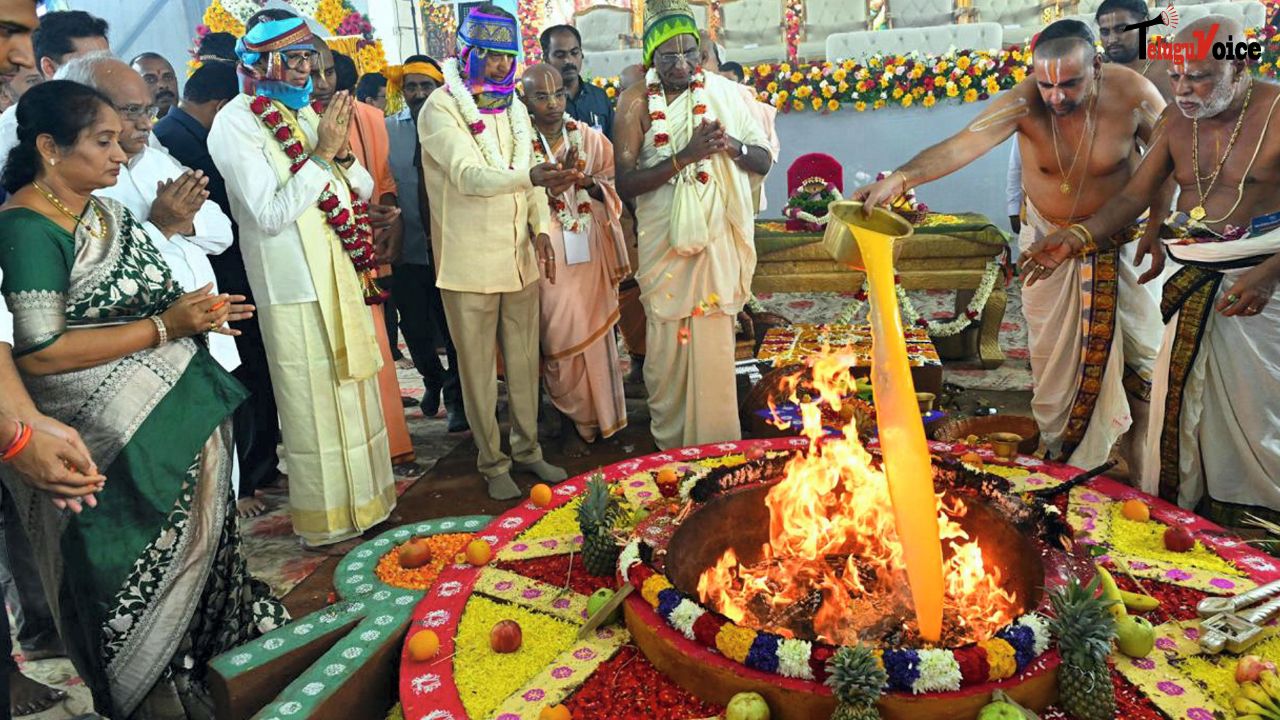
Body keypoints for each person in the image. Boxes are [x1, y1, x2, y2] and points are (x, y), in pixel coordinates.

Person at [0, 78, 286, 718]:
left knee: (203, 561)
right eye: (103, 141)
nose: (120, 154)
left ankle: (216, 671)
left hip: (171, 421)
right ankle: (157, 691)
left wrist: (196, 312)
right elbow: (40, 349)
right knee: (127, 576)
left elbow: (135, 297)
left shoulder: (102, 212)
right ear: (49, 146)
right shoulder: (27, 226)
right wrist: (165, 327)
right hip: (106, 446)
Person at [856, 19, 1170, 478]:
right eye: (1046, 85)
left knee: (1140, 367)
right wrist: (904, 177)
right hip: (1046, 245)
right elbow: (964, 144)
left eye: (1070, 84)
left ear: (1097, 66)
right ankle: (1066, 461)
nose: (1056, 97)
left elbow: (1165, 163)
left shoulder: (1136, 95)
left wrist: (1157, 227)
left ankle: (1142, 469)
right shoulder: (1025, 102)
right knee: (1053, 374)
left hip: (1120, 246)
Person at [1022, 16, 1280, 520]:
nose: (1182, 90)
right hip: (1198, 272)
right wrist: (1075, 238)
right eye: (1177, 76)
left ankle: (1264, 516)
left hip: (1264, 280)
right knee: (1184, 407)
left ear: (1241, 66)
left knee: (1258, 410)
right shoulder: (1180, 121)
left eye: (1199, 77)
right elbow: (1134, 196)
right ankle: (1201, 509)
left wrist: (1268, 274)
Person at [210, 10, 397, 550]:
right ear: (263, 61)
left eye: (310, 62)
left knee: (355, 395)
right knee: (313, 407)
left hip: (339, 270)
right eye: (295, 61)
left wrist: (335, 149)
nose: (306, 75)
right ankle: (328, 523)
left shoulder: (303, 114)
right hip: (292, 286)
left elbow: (358, 190)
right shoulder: (237, 122)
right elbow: (269, 214)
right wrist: (319, 154)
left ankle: (370, 504)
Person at [420, 5, 576, 499]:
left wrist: (541, 227)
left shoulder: (512, 106)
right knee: (479, 372)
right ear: (464, 54)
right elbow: (468, 176)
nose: (496, 67)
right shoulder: (441, 109)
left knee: (525, 361)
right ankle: (492, 462)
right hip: (468, 264)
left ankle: (528, 450)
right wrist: (531, 177)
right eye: (486, 56)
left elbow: (529, 168)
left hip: (520, 257)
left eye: (505, 57)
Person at [614, 0, 771, 449]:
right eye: (669, 57)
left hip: (715, 240)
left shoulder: (725, 95)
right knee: (667, 343)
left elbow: (763, 159)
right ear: (651, 59)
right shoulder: (635, 103)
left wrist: (731, 146)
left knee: (715, 337)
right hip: (665, 242)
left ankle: (717, 442)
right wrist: (684, 156)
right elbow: (626, 183)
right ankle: (673, 444)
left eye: (690, 54)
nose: (681, 65)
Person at [155, 58, 282, 519]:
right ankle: (246, 478)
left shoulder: (172, 139)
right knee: (241, 377)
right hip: (214, 279)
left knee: (255, 371)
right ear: (224, 103)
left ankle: (261, 468)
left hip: (229, 265)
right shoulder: (175, 140)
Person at [521, 63, 630, 457]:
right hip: (547, 248)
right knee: (557, 331)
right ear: (525, 99)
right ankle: (569, 418)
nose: (552, 104)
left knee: (597, 331)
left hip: (588, 243)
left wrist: (589, 183)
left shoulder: (586, 136)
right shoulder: (519, 143)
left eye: (559, 95)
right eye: (541, 96)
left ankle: (604, 419)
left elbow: (618, 179)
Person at [385, 55, 468, 432]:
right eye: (411, 87)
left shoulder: (458, 126)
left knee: (453, 330)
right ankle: (432, 378)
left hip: (451, 248)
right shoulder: (387, 131)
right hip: (409, 251)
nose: (418, 94)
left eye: (425, 86)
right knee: (416, 330)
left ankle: (456, 398)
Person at [0, 9, 109, 175]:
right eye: (89, 64)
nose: (105, 72)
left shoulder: (118, 106)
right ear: (49, 68)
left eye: (107, 61)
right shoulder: (10, 133)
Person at [539, 24, 614, 139]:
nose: (569, 60)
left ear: (582, 54)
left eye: (574, 53)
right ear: (546, 58)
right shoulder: (541, 103)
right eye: (560, 55)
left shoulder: (599, 96)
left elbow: (613, 143)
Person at [1096, 0, 1173, 102]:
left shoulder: (1171, 68)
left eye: (1121, 29)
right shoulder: (1096, 73)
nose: (1112, 39)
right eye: (1105, 32)